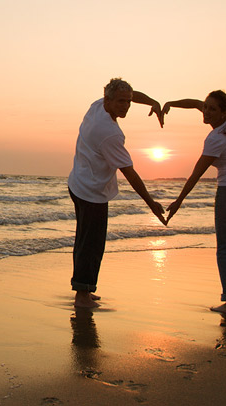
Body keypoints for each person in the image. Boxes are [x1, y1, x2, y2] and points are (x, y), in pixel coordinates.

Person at [68, 78, 167, 309]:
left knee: (86, 241)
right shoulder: (109, 133)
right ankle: (82, 295)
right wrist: (151, 202)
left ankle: (85, 288)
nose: (126, 106)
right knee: (90, 244)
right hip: (91, 191)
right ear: (108, 100)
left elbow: (130, 94)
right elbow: (129, 172)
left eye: (129, 102)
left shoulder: (96, 106)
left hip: (79, 182)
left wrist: (151, 101)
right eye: (121, 101)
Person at [163, 90, 226, 314]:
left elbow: (197, 173)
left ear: (223, 112)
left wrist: (179, 200)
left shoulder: (216, 138)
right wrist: (171, 103)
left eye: (211, 109)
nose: (205, 111)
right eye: (206, 107)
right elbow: (195, 103)